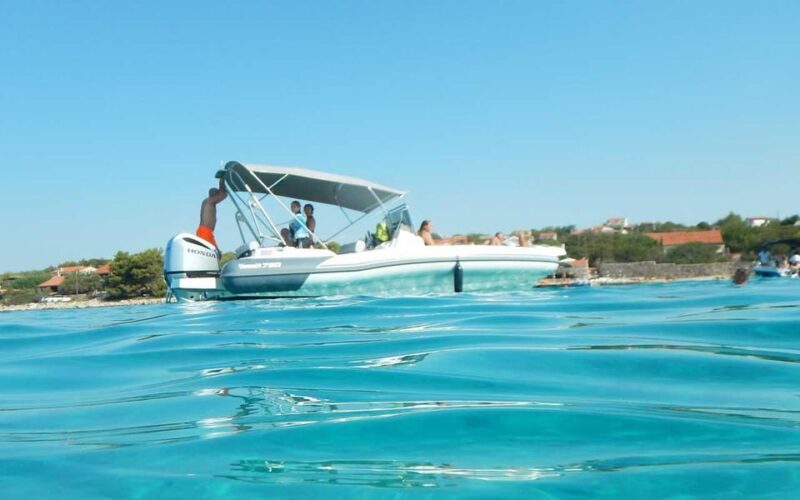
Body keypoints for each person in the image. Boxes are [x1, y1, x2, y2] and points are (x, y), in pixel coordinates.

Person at [197, 177, 227, 248]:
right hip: (204, 231)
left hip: (208, 232)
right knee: (211, 250)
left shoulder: (210, 202)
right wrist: (222, 180)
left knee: (216, 252)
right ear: (215, 195)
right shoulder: (208, 201)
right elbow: (223, 195)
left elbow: (223, 194)